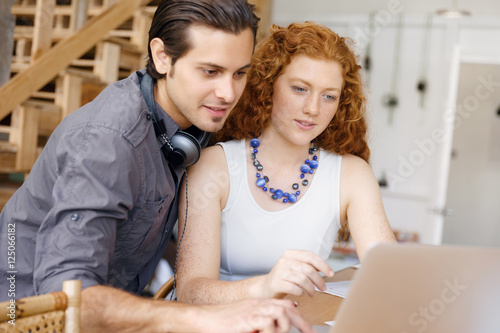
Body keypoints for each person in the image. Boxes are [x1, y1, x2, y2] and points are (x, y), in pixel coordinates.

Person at [0, 1, 314, 332]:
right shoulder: (107, 143)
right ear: (163, 57)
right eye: (210, 71)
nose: (228, 93)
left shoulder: (197, 115)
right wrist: (205, 318)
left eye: (240, 73)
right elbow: (68, 298)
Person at [176, 22, 397, 305]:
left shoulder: (352, 174)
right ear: (268, 86)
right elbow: (190, 292)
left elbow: (390, 272)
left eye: (329, 96)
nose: (313, 109)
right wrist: (266, 286)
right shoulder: (213, 167)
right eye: (300, 89)